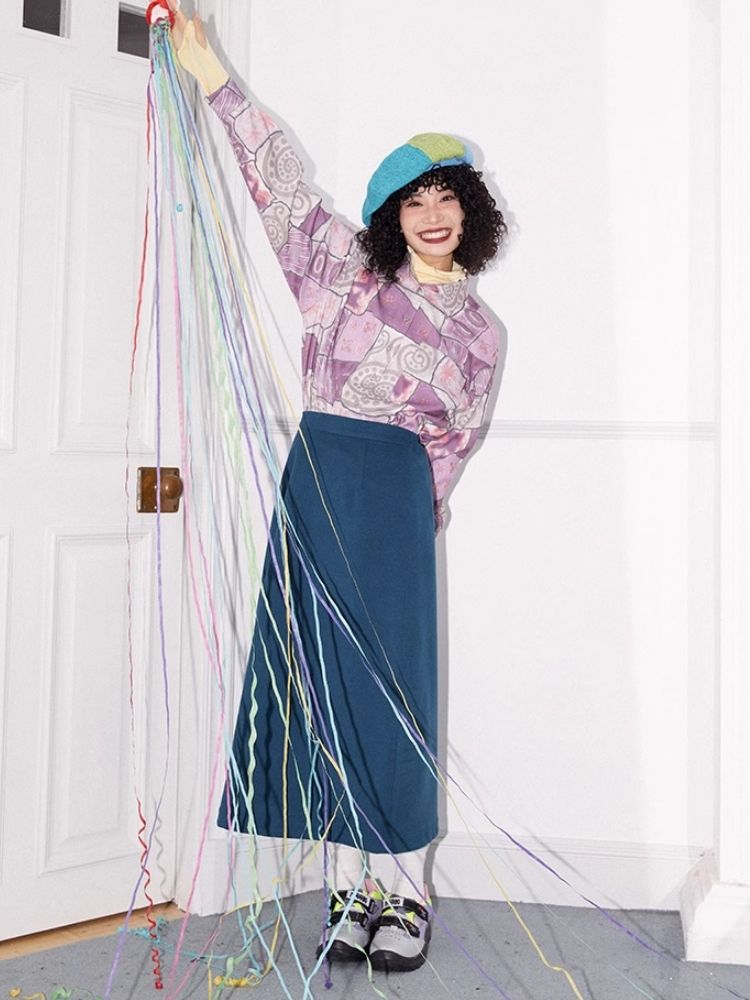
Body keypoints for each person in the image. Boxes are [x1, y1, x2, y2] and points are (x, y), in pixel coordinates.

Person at [168, 4, 506, 974]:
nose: (433, 213)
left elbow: (455, 441)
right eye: (414, 200)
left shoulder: (482, 333)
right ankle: (350, 888)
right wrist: (210, 73)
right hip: (319, 484)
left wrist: (416, 513)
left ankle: (407, 892)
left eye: (448, 197)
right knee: (320, 685)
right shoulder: (339, 274)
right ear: (389, 215)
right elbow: (277, 175)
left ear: (470, 212)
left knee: (394, 696)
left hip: (397, 508)